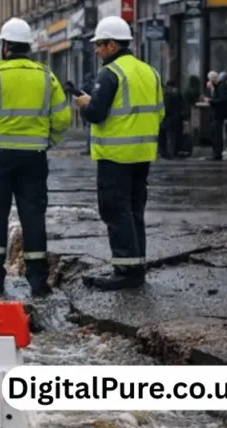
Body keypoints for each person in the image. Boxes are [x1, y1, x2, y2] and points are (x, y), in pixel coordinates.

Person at [0, 17, 71, 298]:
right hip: (34, 159)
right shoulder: (47, 76)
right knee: (33, 217)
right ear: (28, 46)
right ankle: (38, 281)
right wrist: (48, 141)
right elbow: (63, 118)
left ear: (5, 47)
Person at [74, 16, 164, 291]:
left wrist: (84, 104)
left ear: (112, 45)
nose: (97, 50)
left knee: (115, 209)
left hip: (115, 155)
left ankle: (125, 269)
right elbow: (160, 112)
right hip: (142, 153)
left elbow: (97, 114)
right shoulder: (150, 72)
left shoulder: (110, 73)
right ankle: (136, 266)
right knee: (135, 210)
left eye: (100, 45)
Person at [205, 71, 227, 160]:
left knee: (217, 135)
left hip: (218, 114)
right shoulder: (217, 87)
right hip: (215, 114)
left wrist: (210, 100)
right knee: (214, 134)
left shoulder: (221, 87)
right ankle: (215, 153)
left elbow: (221, 100)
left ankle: (217, 154)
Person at [159, 80, 184, 159]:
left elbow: (166, 107)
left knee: (166, 136)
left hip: (167, 118)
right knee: (171, 136)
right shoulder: (177, 94)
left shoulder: (166, 94)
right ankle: (171, 152)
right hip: (174, 118)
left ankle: (166, 152)